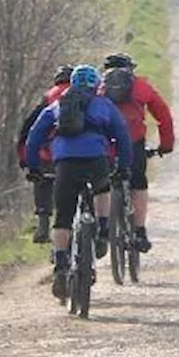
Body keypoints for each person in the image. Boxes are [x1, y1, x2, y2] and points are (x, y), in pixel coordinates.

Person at [25, 64, 132, 302]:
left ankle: (61, 266)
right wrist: (123, 167)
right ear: (96, 85)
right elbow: (123, 136)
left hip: (65, 163)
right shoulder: (104, 104)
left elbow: (34, 137)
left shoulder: (57, 105)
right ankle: (103, 230)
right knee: (102, 188)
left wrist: (34, 168)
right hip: (96, 159)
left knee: (63, 217)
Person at [100, 52, 174, 253]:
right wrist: (166, 144)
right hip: (133, 142)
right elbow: (163, 115)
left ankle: (100, 226)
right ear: (130, 69)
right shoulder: (141, 86)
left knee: (100, 183)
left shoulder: (98, 88)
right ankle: (140, 230)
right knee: (138, 183)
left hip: (106, 144)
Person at [17, 65, 73, 243]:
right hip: (72, 154)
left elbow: (29, 129)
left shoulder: (49, 96)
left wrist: (24, 158)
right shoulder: (83, 95)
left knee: (42, 181)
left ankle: (43, 224)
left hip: (48, 152)